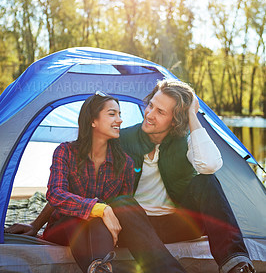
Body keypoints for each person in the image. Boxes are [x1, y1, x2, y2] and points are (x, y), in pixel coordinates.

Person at [5, 80, 255, 273]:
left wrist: (192, 116)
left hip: (175, 224)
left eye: (160, 112)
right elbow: (67, 189)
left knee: (205, 181)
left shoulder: (179, 144)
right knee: (114, 206)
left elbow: (210, 165)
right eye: (150, 106)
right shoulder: (116, 142)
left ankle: (236, 264)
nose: (149, 114)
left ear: (175, 119)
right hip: (129, 225)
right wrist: (36, 225)